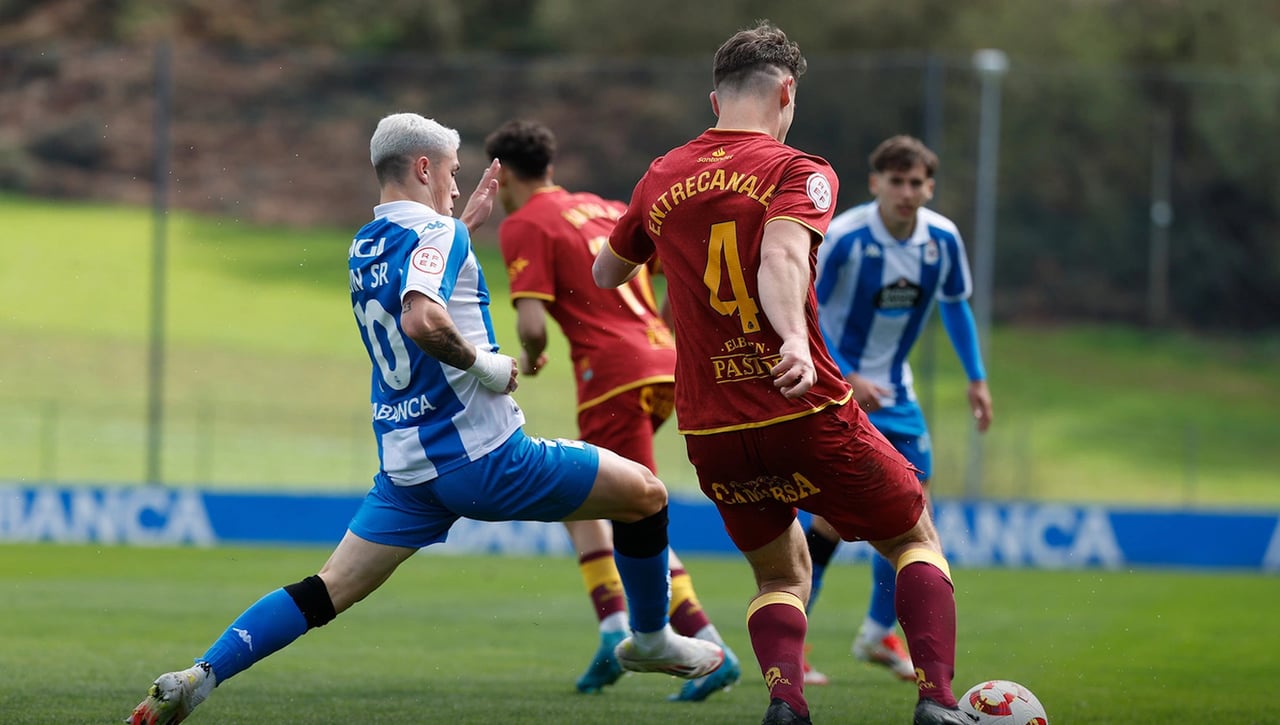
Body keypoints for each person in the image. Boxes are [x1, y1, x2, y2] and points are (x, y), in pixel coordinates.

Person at [124, 112, 723, 725]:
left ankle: (199, 677)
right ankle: (650, 638)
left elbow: (417, 276)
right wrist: (487, 366)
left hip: (408, 472)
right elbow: (421, 318)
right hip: (487, 459)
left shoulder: (365, 244)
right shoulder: (439, 233)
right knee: (645, 496)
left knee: (326, 589)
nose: (458, 186)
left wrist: (460, 231)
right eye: (454, 172)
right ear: (423, 167)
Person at [593, 21, 975, 725]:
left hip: (711, 427)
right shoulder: (798, 170)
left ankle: (787, 704)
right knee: (913, 535)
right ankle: (938, 701)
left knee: (779, 573)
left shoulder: (662, 174)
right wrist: (793, 340)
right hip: (803, 407)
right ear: (787, 92)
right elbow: (782, 257)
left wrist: (664, 239)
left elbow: (605, 271)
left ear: (715, 100)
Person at [482, 118, 741, 702]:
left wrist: (531, 356)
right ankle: (611, 629)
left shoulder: (525, 223)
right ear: (550, 166)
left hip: (612, 378)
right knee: (582, 500)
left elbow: (531, 325)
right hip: (664, 365)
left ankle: (709, 646)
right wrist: (663, 332)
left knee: (634, 509)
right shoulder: (604, 208)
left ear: (503, 176)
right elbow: (681, 269)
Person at [801, 135, 994, 687]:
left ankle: (876, 633)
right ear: (876, 183)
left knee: (913, 514)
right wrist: (844, 373)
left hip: (898, 397)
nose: (907, 192)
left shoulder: (942, 239)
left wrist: (976, 378)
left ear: (929, 188)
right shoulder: (845, 237)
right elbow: (804, 307)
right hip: (837, 390)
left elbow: (955, 307)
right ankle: (795, 643)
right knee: (831, 519)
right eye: (897, 182)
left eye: (917, 183)